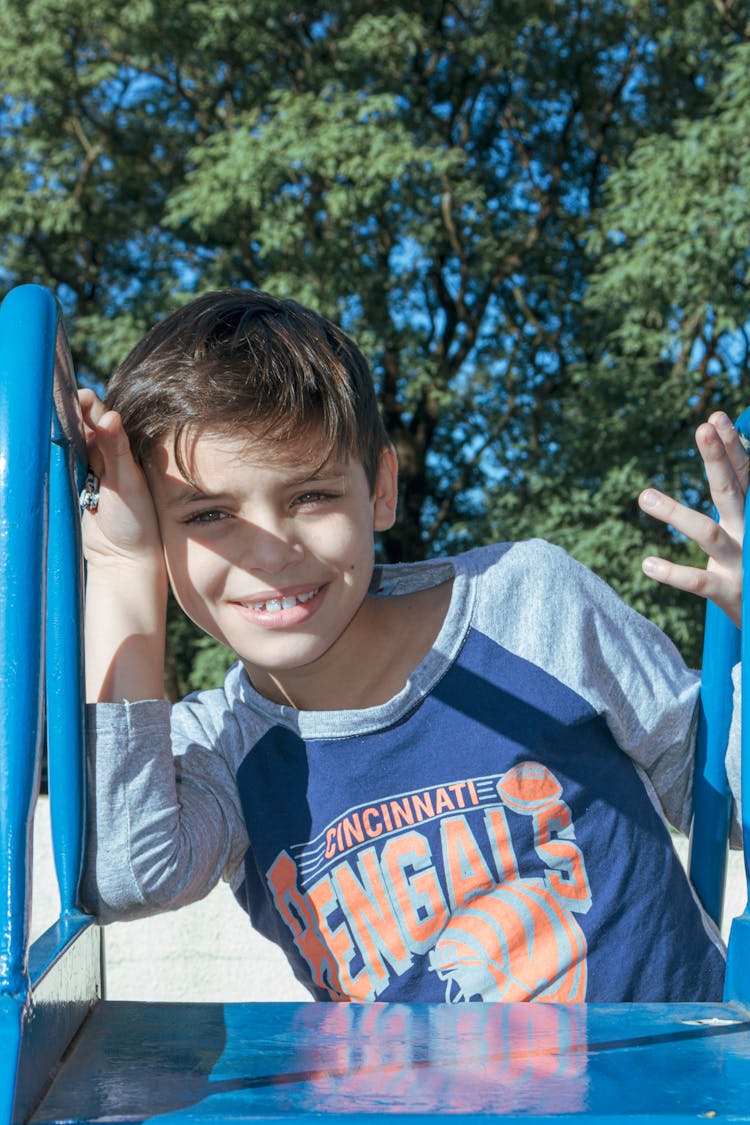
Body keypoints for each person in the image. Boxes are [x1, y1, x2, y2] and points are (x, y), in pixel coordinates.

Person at [80, 288, 745, 1004]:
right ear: (155, 531)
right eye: (210, 513)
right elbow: (127, 874)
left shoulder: (528, 603)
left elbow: (725, 797)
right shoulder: (222, 747)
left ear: (381, 491)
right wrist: (121, 569)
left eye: (310, 496)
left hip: (668, 1090)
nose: (271, 552)